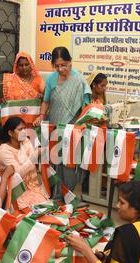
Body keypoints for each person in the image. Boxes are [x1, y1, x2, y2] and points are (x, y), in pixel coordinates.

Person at [34, 47, 91, 196]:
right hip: (54, 125)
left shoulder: (79, 80)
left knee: (68, 164)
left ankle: (67, 194)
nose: (60, 69)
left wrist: (81, 124)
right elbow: (46, 101)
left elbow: (85, 107)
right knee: (54, 161)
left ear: (70, 62)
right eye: (57, 65)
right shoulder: (52, 78)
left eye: (64, 65)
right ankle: (55, 194)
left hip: (72, 129)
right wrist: (41, 115)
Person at [0, 117, 48, 210]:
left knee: (45, 209)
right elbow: (17, 175)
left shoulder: (25, 142)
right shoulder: (4, 151)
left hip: (32, 187)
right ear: (10, 133)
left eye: (24, 128)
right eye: (20, 129)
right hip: (15, 192)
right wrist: (34, 156)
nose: (24, 132)